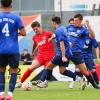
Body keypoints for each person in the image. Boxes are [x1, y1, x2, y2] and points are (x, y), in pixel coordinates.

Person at [37, 15, 100, 90]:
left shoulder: (84, 30)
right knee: (61, 70)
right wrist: (52, 37)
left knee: (85, 72)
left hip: (76, 53)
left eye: (76, 20)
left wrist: (88, 26)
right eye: (74, 20)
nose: (74, 22)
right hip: (67, 51)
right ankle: (45, 82)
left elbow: (92, 36)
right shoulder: (69, 27)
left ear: (80, 21)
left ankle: (95, 85)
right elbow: (61, 33)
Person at [15, 21, 55, 88]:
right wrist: (33, 52)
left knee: (47, 69)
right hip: (40, 56)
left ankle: (42, 82)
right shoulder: (34, 37)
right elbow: (34, 44)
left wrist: (52, 37)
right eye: (34, 30)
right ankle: (20, 82)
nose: (35, 30)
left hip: (49, 56)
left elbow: (54, 35)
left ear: (40, 27)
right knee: (30, 68)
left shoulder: (47, 33)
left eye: (36, 29)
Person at [0, 0, 26, 100]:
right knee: (14, 71)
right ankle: (10, 94)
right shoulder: (16, 18)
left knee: (1, 70)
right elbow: (23, 33)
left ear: (0, 5)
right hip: (13, 49)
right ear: (11, 4)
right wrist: (14, 33)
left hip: (1, 49)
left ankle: (1, 93)